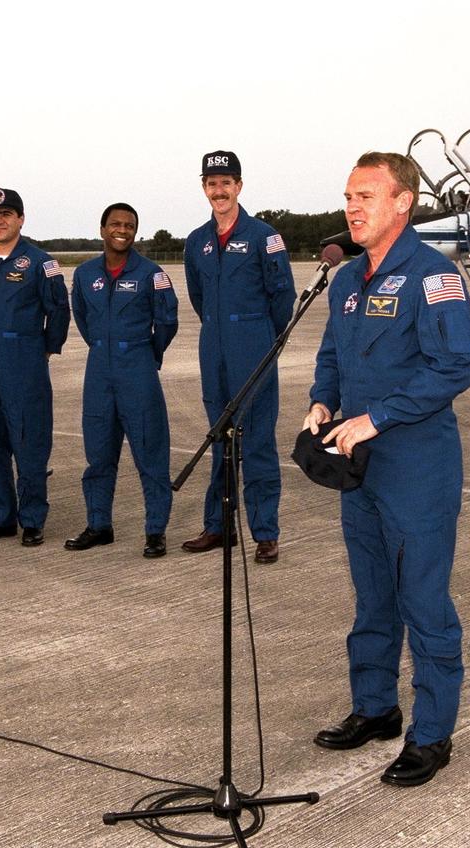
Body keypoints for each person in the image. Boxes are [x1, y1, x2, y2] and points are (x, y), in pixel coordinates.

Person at [303, 152, 470, 787]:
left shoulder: (435, 276)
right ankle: (375, 708)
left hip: (416, 465)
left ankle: (431, 735)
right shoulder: (347, 280)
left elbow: (455, 366)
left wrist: (375, 417)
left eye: (365, 197)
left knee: (423, 601)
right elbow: (332, 353)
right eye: (348, 196)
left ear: (402, 202)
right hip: (359, 464)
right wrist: (322, 399)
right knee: (372, 597)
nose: (351, 207)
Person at [182, 150, 295, 563]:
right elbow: (197, 295)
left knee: (259, 441)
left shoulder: (265, 236)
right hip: (214, 347)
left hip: (255, 347)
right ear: (204, 188)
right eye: (212, 183)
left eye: (226, 182)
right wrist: (219, 326)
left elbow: (283, 296)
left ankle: (265, 533)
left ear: (239, 186)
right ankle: (219, 527)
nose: (219, 190)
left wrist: (264, 337)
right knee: (219, 441)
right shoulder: (197, 241)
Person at [65, 203, 179, 559]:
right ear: (102, 230)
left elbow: (168, 321)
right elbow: (82, 317)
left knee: (150, 452)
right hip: (99, 369)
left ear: (135, 232)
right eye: (115, 224)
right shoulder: (84, 275)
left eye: (129, 225)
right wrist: (103, 347)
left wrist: (147, 354)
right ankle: (99, 525)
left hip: (138, 370)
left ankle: (155, 531)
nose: (122, 230)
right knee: (98, 453)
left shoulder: (152, 274)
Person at [0, 188, 69, 547]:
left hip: (24, 359)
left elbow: (58, 309)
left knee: (29, 440)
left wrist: (46, 350)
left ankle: (33, 518)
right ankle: (2, 516)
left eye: (7, 214)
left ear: (21, 218)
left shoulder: (40, 262)